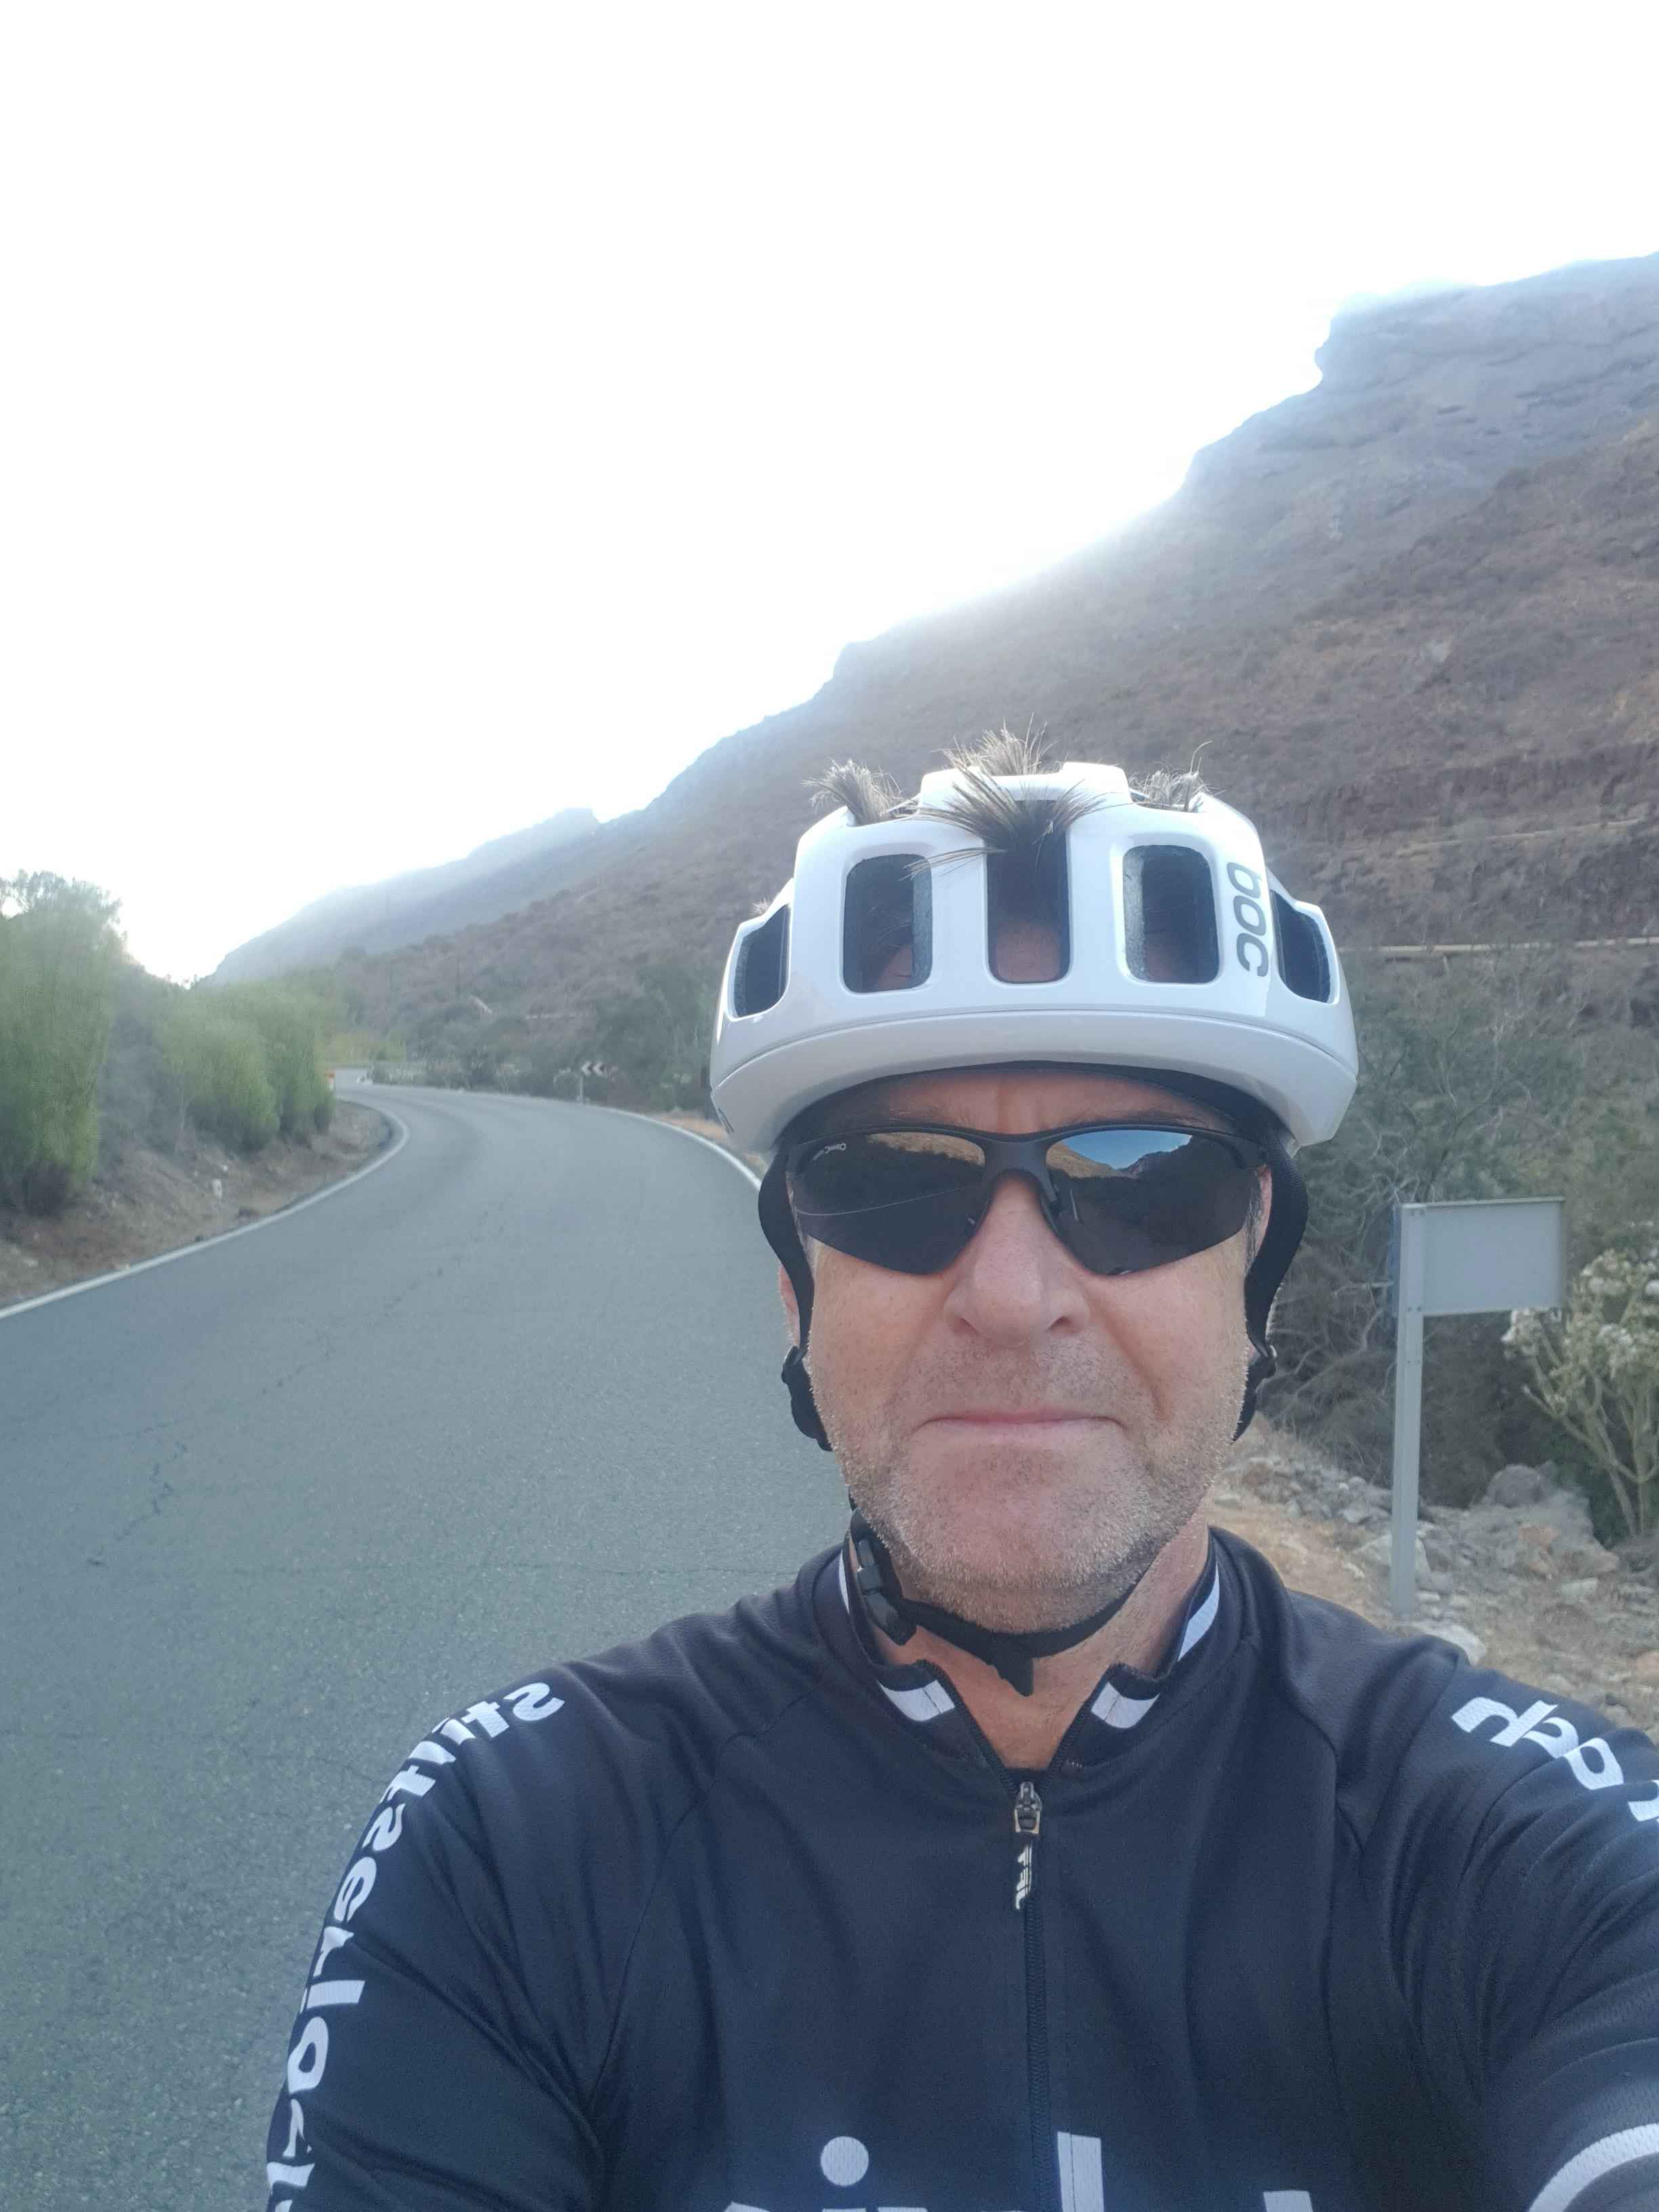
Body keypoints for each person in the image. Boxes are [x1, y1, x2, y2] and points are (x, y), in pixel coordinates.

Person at [266, 731, 1659, 2212]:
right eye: (896, 1180)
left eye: (1141, 1179)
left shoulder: (1531, 1850)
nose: (1012, 1296)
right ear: (795, 1288)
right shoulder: (514, 1843)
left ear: (1255, 1267)